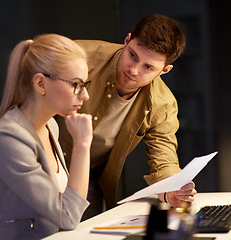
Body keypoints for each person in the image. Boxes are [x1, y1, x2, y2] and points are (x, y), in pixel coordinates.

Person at [56, 14, 197, 219]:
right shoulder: (78, 57)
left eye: (148, 67)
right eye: (132, 55)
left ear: (165, 70)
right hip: (42, 161)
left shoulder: (162, 103)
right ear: (127, 40)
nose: (133, 70)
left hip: (90, 174)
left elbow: (164, 159)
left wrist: (171, 191)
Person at [0, 34, 93, 240]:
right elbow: (68, 215)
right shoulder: (8, 138)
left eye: (84, 84)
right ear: (40, 84)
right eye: (76, 84)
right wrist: (82, 145)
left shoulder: (51, 126)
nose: (84, 95)